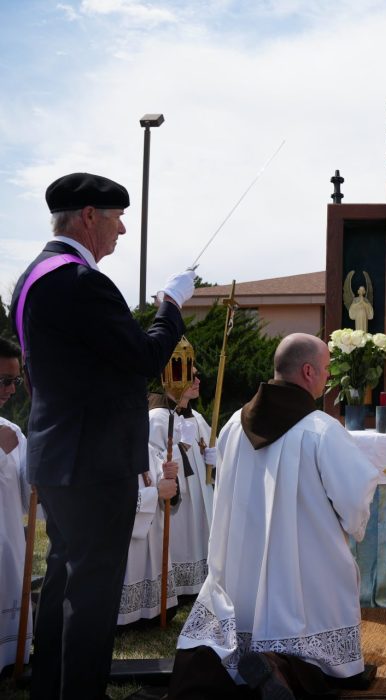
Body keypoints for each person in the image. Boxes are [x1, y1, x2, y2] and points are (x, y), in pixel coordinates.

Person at [10, 172, 195, 699]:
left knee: (66, 583)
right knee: (91, 597)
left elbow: (88, 364)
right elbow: (141, 357)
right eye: (115, 218)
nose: (121, 229)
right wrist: (171, 306)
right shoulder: (79, 281)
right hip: (93, 462)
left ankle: (52, 688)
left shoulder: (34, 276)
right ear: (88, 216)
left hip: (63, 455)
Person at [171, 333, 379, 699]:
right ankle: (291, 666)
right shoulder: (321, 430)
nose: (329, 376)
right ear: (309, 371)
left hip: (241, 568)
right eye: (327, 368)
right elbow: (355, 495)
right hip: (304, 565)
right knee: (332, 577)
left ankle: (254, 660)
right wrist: (351, 523)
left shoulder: (235, 423)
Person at [148, 367, 215, 598]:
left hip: (199, 494)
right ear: (174, 379)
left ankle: (200, 583)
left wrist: (214, 459)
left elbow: (209, 454)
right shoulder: (157, 418)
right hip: (177, 502)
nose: (198, 380)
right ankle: (178, 586)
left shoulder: (195, 418)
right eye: (191, 376)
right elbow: (152, 464)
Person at [116, 450, 179, 625]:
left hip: (154, 533)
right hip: (123, 540)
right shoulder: (108, 448)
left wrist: (170, 477)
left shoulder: (147, 449)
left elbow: (167, 494)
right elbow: (111, 501)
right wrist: (156, 492)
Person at [0, 338, 31, 673]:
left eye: (15, 381)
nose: (11, 390)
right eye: (4, 381)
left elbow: (28, 499)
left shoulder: (14, 432)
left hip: (9, 541)